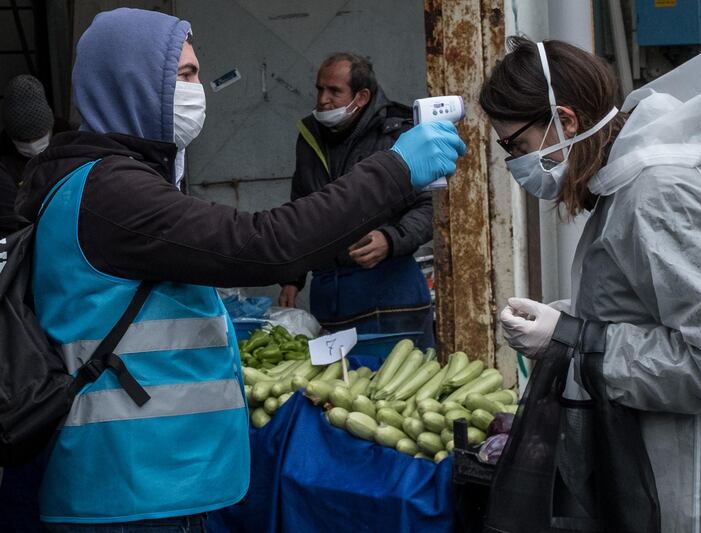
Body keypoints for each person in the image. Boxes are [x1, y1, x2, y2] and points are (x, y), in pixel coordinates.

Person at [14, 7, 464, 531]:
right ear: (133, 84)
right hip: (132, 488)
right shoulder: (112, 192)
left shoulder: (102, 182)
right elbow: (264, 244)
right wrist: (394, 169)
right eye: (183, 76)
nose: (198, 88)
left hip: (147, 479)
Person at [483, 37, 701, 532]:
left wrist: (577, 340)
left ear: (566, 120)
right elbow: (659, 307)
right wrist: (571, 319)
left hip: (689, 486)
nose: (514, 162)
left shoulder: (659, 194)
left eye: (514, 145)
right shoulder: (638, 181)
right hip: (659, 468)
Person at [279, 53, 434, 345]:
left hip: (391, 291)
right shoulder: (310, 139)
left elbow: (429, 207)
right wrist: (292, 277)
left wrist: (390, 240)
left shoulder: (398, 135)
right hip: (331, 294)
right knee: (337, 385)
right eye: (319, 89)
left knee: (402, 382)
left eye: (334, 91)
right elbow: (298, 212)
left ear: (361, 97)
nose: (323, 99)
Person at [0, 75, 71, 236]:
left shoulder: (73, 144)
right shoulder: (4, 162)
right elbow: (13, 220)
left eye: (38, 136)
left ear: (50, 124)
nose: (32, 145)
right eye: (23, 140)